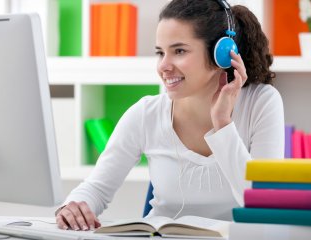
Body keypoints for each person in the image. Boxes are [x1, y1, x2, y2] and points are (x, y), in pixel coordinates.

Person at [56, 0, 284, 231]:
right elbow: (96, 188)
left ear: (222, 54)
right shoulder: (146, 114)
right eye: (160, 52)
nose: (163, 66)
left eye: (179, 51)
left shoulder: (261, 102)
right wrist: (73, 207)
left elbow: (262, 206)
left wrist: (223, 125)